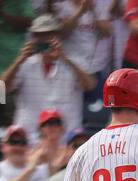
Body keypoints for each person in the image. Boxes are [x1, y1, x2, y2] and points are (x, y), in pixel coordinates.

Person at [1, 14, 96, 144]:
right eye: (39, 35)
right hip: (29, 140)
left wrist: (64, 58)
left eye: (49, 35)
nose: (44, 39)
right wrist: (19, 60)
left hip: (66, 141)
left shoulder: (75, 62)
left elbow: (90, 85)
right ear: (33, 38)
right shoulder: (25, 64)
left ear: (58, 37)